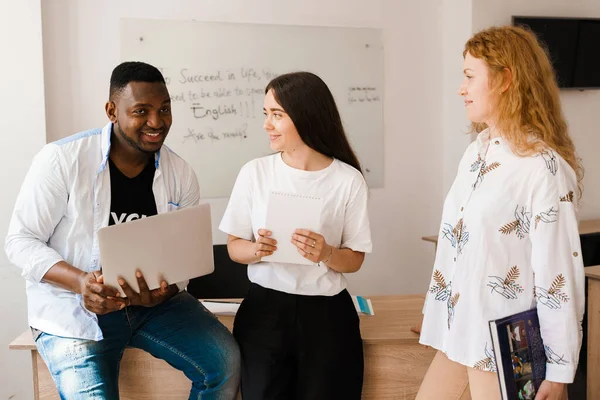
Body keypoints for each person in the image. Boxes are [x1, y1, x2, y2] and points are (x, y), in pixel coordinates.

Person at [5, 61, 240, 399]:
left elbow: (184, 259)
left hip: (156, 307)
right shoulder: (61, 160)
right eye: (141, 111)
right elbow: (21, 241)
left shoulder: (181, 173)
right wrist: (82, 282)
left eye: (164, 109)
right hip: (73, 308)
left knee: (224, 364)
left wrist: (168, 289)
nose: (156, 122)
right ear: (112, 110)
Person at [416, 26, 585, 400]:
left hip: (507, 347)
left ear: (505, 79)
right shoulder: (476, 154)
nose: (461, 88)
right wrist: (439, 310)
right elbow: (460, 246)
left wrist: (558, 371)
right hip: (461, 334)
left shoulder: (543, 168)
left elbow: (558, 274)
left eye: (469, 76)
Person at [219, 71, 372, 400]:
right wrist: (257, 249)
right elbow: (234, 248)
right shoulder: (255, 173)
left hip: (328, 318)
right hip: (265, 313)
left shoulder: (348, 180)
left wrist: (326, 253)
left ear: (305, 115)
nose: (267, 125)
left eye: (277, 115)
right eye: (265, 114)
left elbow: (355, 259)